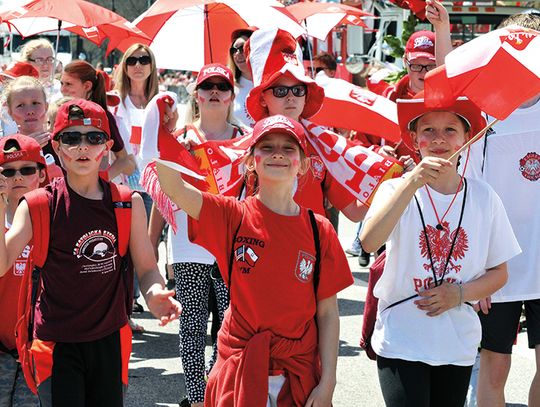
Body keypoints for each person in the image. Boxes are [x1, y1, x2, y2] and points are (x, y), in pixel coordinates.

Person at [156, 114, 353, 406]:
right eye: (267, 147)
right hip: (239, 370)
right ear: (250, 161)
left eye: (289, 148)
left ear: (304, 164)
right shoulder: (232, 215)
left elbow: (327, 314)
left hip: (298, 376)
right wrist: (170, 143)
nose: (277, 154)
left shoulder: (319, 229)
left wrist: (328, 384)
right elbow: (174, 188)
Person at [0, 98, 181, 406]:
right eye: (71, 138)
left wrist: (154, 296)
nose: (82, 147)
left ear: (107, 146)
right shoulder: (38, 205)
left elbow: (148, 268)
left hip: (109, 339)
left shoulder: (127, 202)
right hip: (56, 343)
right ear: (56, 147)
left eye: (93, 138)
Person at [360, 96, 520, 407]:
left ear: (466, 138)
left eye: (450, 130)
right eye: (428, 130)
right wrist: (411, 184)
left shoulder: (483, 197)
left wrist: (459, 294)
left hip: (456, 342)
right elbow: (368, 242)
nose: (438, 139)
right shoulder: (395, 190)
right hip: (401, 338)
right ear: (414, 140)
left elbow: (499, 273)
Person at [147, 63, 242, 407]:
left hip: (230, 247)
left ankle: (217, 391)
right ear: (197, 94)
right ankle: (197, 397)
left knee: (228, 328)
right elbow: (162, 197)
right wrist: (151, 244)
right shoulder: (181, 140)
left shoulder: (246, 140)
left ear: (232, 95)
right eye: (207, 86)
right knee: (191, 326)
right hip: (187, 247)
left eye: (222, 86)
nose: (215, 92)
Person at [469, 12, 540, 407]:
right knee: (495, 369)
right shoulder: (484, 114)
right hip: (499, 265)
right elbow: (470, 193)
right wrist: (477, 265)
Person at [245, 28, 367, 222]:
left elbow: (355, 212)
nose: (291, 97)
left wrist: (394, 180)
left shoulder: (325, 147)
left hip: (313, 248)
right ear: (262, 98)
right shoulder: (242, 150)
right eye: (280, 90)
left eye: (298, 90)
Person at [113, 43, 160, 316]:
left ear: (152, 65)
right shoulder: (115, 101)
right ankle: (125, 304)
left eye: (144, 59)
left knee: (148, 246)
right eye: (132, 60)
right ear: (125, 66)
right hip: (123, 183)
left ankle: (144, 296)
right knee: (122, 246)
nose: (138, 65)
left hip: (155, 183)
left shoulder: (162, 101)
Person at [0, 135, 44, 407]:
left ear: (40, 175)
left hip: (37, 347)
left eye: (26, 170)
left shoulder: (52, 219)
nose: (17, 177)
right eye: (8, 171)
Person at [60, 60, 136, 180]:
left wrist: (98, 184)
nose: (63, 90)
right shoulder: (61, 112)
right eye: (61, 83)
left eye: (68, 84)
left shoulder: (103, 117)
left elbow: (125, 160)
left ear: (87, 86)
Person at [2, 76, 61, 171]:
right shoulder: (3, 149)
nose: (30, 111)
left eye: (35, 103)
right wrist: (26, 149)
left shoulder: (62, 144)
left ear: (46, 107)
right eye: (20, 105)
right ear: (10, 112)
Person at [228, 28, 255, 128]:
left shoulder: (272, 84)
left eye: (243, 48)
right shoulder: (227, 87)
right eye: (233, 50)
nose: (237, 54)